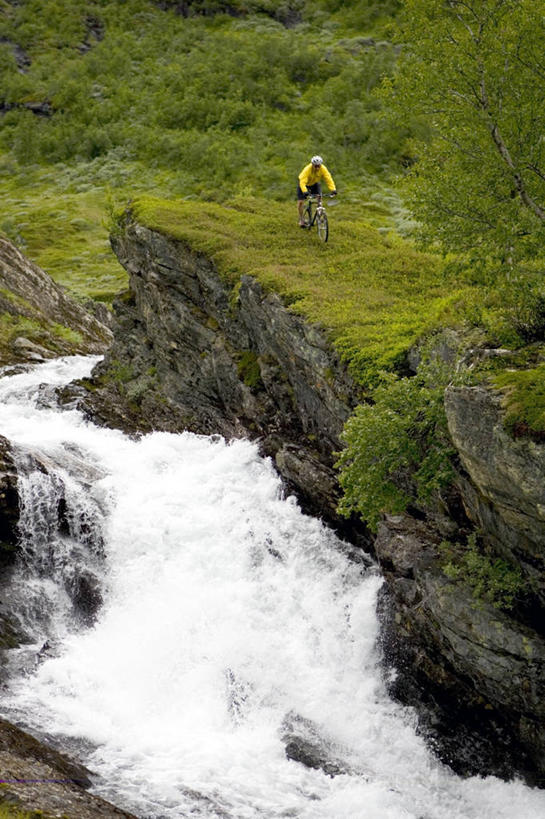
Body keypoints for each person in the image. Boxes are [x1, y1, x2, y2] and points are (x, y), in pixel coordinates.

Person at [297, 155, 337, 227]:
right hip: (304, 184)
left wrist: (333, 189)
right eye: (316, 166)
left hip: (315, 184)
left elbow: (328, 179)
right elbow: (302, 182)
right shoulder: (307, 170)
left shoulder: (323, 169)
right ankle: (301, 219)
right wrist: (305, 191)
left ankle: (320, 215)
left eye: (319, 166)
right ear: (312, 165)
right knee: (300, 202)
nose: (317, 168)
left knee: (319, 197)